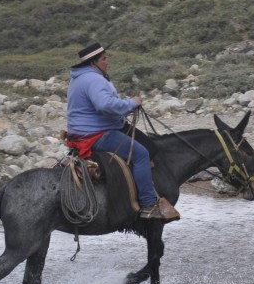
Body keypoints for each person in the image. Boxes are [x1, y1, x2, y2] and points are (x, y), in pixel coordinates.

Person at [65, 42, 174, 220]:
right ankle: (148, 204)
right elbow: (104, 105)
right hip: (96, 135)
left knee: (142, 142)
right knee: (141, 154)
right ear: (93, 63)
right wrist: (131, 103)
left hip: (83, 132)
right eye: (104, 59)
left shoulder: (80, 78)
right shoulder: (94, 79)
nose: (107, 62)